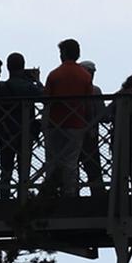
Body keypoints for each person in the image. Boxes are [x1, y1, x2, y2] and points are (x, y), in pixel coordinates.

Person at [43, 38, 99, 202]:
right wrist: (89, 125)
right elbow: (88, 104)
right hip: (76, 124)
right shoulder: (84, 76)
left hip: (55, 124)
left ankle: (50, 193)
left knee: (52, 160)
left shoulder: (54, 74)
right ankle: (70, 194)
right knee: (71, 161)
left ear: (64, 53)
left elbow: (46, 100)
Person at [0, 51, 42, 196]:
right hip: (26, 131)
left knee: (5, 169)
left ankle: (3, 199)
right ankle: (22, 197)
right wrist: (36, 80)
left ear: (7, 67)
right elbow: (45, 97)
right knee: (24, 170)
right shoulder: (29, 87)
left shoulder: (1, 87)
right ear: (23, 67)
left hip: (6, 131)